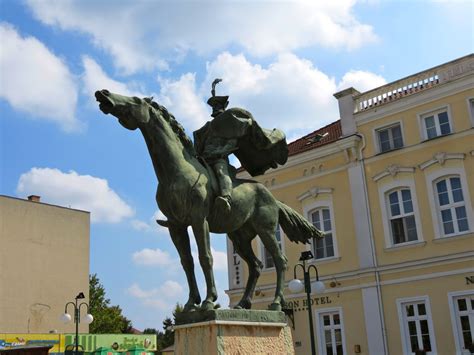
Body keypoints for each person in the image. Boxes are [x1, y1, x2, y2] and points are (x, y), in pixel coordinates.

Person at [194, 79, 289, 212]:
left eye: (218, 105)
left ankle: (226, 198)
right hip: (203, 160)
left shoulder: (231, 123)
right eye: (214, 105)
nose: (215, 107)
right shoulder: (206, 128)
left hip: (217, 159)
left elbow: (233, 142)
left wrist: (220, 152)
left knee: (221, 171)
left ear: (224, 106)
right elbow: (199, 147)